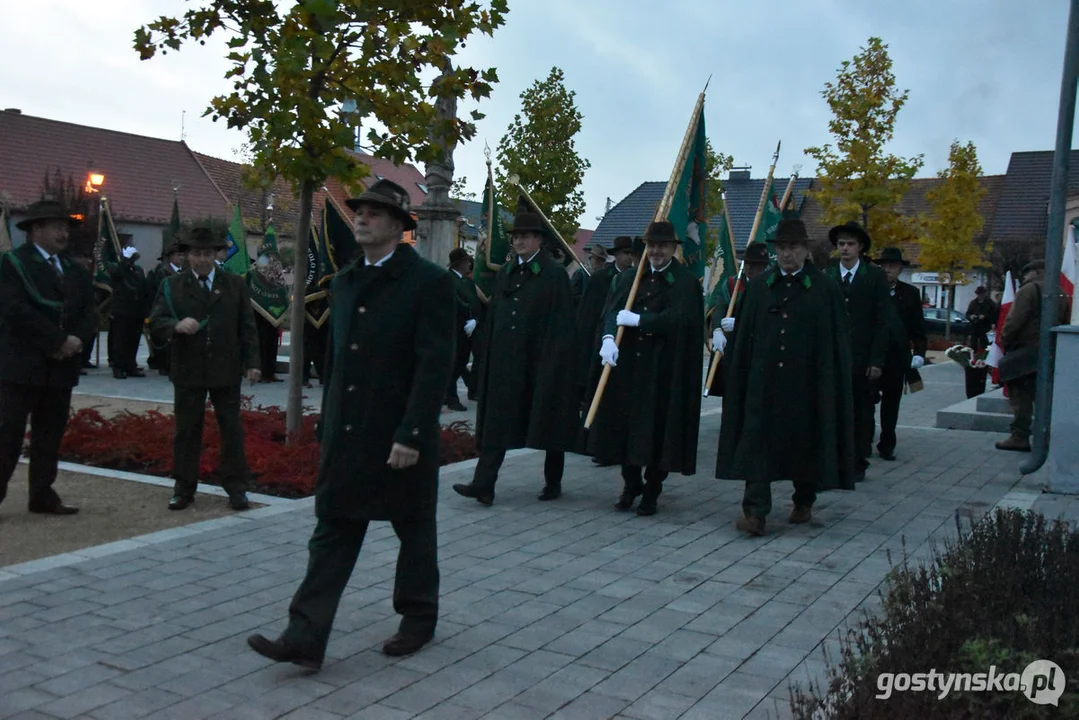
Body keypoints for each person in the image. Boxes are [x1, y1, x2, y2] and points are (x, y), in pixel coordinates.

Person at [247, 179, 455, 668]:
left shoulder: (429, 282)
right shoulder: (343, 283)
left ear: (400, 227)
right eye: (359, 211)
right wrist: (328, 421)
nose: (361, 218)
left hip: (397, 434)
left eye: (375, 214)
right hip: (348, 433)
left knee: (413, 528)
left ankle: (418, 618)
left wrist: (413, 433)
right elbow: (337, 363)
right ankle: (304, 636)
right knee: (332, 530)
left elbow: (434, 366)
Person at [717, 215, 855, 536]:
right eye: (781, 248)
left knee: (804, 445)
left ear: (806, 250)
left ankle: (804, 499)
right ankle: (755, 511)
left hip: (805, 385)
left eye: (793, 247)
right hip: (763, 384)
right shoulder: (760, 287)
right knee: (757, 444)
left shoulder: (824, 289)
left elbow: (835, 343)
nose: (787, 254)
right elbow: (747, 335)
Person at [452, 210, 577, 506]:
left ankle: (553, 480)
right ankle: (484, 484)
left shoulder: (553, 273)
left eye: (524, 236)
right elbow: (495, 314)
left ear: (539, 240)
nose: (518, 241)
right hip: (506, 362)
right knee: (497, 422)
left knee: (548, 419)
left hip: (539, 360)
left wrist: (555, 362)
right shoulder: (507, 272)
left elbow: (561, 323)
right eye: (516, 237)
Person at [588, 221, 704, 516]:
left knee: (656, 430)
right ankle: (630, 484)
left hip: (662, 367)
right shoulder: (630, 279)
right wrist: (607, 338)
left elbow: (680, 319)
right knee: (624, 428)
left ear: (673, 248)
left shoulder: (685, 282)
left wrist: (642, 321)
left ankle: (652, 489)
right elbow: (612, 311)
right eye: (651, 246)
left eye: (662, 246)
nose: (656, 251)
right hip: (628, 366)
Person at [149, 226, 261, 511]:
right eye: (196, 254)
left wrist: (253, 363)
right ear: (187, 256)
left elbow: (247, 327)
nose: (201, 259)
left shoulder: (234, 283)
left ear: (216, 255)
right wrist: (175, 325)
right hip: (188, 368)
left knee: (231, 430)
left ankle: (237, 488)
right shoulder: (171, 285)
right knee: (187, 430)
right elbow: (155, 321)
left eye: (207, 254)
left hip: (226, 367)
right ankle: (183, 488)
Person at [0, 199, 95, 515]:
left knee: (49, 433)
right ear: (36, 229)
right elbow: (14, 310)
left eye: (66, 226)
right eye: (57, 225)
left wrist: (77, 340)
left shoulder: (74, 270)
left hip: (60, 368)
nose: (63, 232)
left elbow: (89, 312)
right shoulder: (13, 264)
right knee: (8, 433)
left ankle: (42, 493)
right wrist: (56, 340)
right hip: (22, 365)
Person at [823, 221, 891, 483]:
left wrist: (877, 359)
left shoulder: (874, 277)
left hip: (863, 358)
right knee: (834, 410)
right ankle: (836, 460)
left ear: (860, 247)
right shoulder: (828, 276)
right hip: (834, 356)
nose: (845, 249)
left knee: (862, 412)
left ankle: (858, 460)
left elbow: (882, 320)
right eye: (841, 244)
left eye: (850, 244)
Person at [994, 260, 1069, 452]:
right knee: (1044, 396)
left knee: (1021, 397)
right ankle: (1048, 436)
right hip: (1050, 351)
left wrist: (1004, 341)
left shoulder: (1029, 290)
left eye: (1026, 274)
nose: (1024, 278)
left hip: (1026, 351)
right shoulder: (1061, 293)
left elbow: (1014, 321)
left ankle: (1019, 436)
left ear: (1035, 272)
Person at [575, 236, 631, 460]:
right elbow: (587, 314)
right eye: (625, 253)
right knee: (595, 391)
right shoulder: (600, 278)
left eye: (631, 253)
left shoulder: (634, 280)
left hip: (623, 346)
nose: (628, 257)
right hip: (599, 341)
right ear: (615, 255)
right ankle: (590, 441)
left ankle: (611, 445)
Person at [875, 248, 927, 461]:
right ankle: (863, 438)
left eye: (892, 266)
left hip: (897, 357)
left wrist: (920, 353)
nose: (888, 269)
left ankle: (887, 444)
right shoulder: (871, 290)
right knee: (866, 399)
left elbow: (918, 328)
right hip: (873, 356)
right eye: (884, 265)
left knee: (891, 401)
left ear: (900, 268)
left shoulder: (910, 293)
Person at [706, 242, 771, 397]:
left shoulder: (769, 286)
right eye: (747, 263)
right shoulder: (732, 284)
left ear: (764, 267)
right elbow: (720, 307)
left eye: (755, 265)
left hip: (758, 350)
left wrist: (740, 323)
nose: (749, 268)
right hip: (734, 350)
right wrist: (717, 330)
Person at [445, 247, 483, 411]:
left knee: (461, 362)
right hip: (455, 327)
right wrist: (467, 317)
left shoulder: (468, 281)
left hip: (469, 327)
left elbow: (475, 301)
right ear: (459, 263)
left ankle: (449, 394)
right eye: (467, 261)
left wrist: (475, 319)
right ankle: (451, 397)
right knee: (454, 364)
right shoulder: (448, 279)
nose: (470, 263)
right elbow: (454, 302)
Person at [107, 234, 150, 379]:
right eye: (130, 256)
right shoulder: (117, 267)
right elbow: (117, 276)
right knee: (120, 340)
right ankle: (118, 367)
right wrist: (124, 261)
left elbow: (142, 287)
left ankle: (130, 365)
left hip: (136, 310)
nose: (133, 259)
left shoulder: (137, 269)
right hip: (122, 310)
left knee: (133, 340)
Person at [146, 237, 186, 375]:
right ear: (170, 257)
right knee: (164, 339)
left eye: (182, 255)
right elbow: (158, 293)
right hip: (165, 308)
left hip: (179, 311)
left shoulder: (184, 272)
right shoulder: (163, 271)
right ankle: (162, 364)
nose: (181, 258)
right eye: (178, 255)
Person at [965, 286, 997, 353]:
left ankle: (984, 358)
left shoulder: (990, 303)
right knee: (973, 345)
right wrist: (971, 317)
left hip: (985, 328)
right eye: (979, 294)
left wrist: (985, 316)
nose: (980, 296)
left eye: (982, 294)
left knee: (985, 345)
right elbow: (967, 314)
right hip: (974, 327)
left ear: (984, 294)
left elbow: (994, 315)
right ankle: (973, 358)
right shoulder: (973, 303)